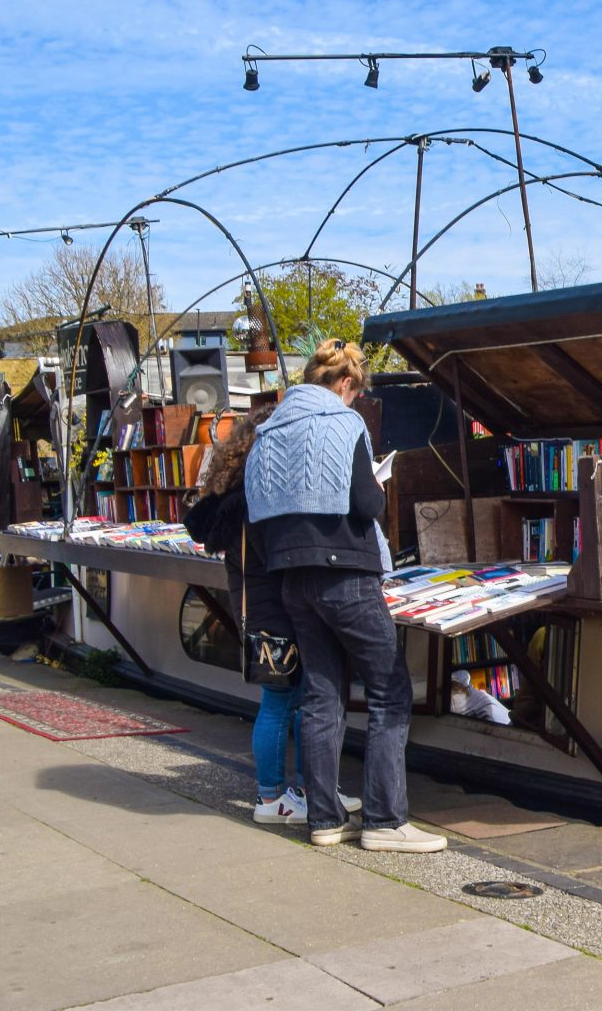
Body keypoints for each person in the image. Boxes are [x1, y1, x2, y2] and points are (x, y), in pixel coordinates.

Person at [246, 339, 444, 854]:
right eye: (354, 394)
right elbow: (364, 502)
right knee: (389, 690)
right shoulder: (343, 423)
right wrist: (380, 487)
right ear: (344, 385)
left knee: (321, 693)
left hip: (292, 577)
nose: (353, 403)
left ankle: (326, 820)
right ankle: (384, 821)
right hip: (346, 574)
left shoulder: (266, 432)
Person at [184, 403, 358, 827]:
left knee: (289, 700)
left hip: (261, 609)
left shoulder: (232, 500)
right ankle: (272, 798)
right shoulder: (256, 500)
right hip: (276, 611)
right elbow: (277, 558)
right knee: (283, 702)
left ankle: (301, 790)